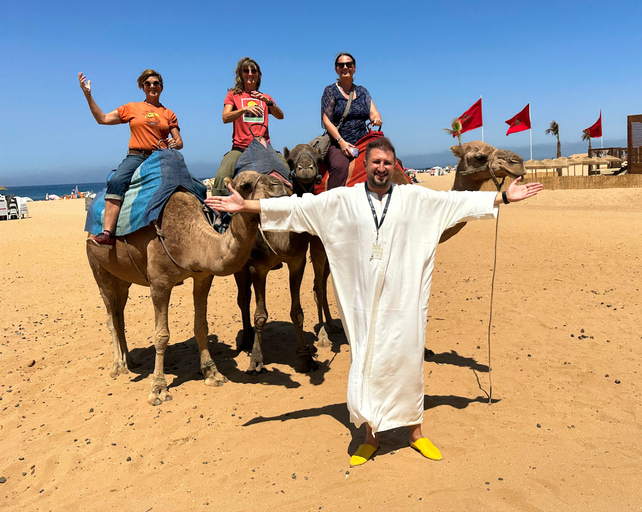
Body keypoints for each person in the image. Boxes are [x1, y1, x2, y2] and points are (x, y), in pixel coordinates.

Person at [204, 137, 542, 465]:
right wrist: (246, 206)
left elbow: (454, 203)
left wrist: (503, 199)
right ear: (366, 166)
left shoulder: (413, 197)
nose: (382, 168)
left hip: (404, 297)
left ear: (394, 165)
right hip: (362, 300)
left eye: (387, 163)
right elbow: (300, 206)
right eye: (376, 162)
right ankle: (371, 437)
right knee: (366, 361)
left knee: (409, 359)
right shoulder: (344, 200)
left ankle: (415, 431)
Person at [78, 70, 182, 246]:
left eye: (156, 83)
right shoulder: (132, 108)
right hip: (136, 156)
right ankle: (107, 232)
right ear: (143, 87)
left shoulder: (168, 113)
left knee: (191, 184)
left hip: (161, 156)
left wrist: (175, 143)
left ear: (161, 87)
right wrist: (88, 95)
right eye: (147, 83)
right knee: (117, 180)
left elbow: (179, 142)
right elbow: (102, 119)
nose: (152, 86)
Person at [211, 57, 286, 196]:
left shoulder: (265, 97)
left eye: (254, 71)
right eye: (246, 71)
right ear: (241, 74)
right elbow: (225, 117)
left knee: (287, 169)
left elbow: (280, 116)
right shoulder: (233, 95)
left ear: (258, 75)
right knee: (222, 175)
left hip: (264, 145)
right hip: (240, 148)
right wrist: (243, 110)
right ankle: (218, 214)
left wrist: (268, 102)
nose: (250, 74)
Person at [321, 52, 382, 189]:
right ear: (336, 69)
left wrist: (376, 119)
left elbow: (374, 113)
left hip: (363, 140)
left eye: (348, 64)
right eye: (341, 65)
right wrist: (341, 142)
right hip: (339, 141)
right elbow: (326, 121)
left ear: (354, 68)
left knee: (390, 161)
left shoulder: (362, 92)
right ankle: (332, 203)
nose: (345, 67)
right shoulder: (330, 91)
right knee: (339, 166)